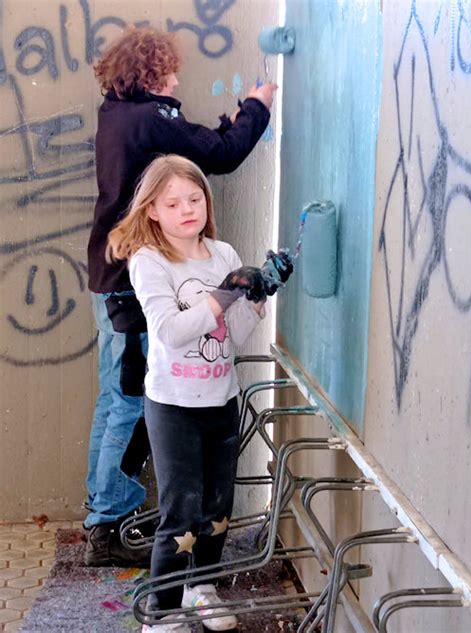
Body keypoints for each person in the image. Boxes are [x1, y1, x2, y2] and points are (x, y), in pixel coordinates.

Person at [85, 25, 277, 567]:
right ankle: (108, 525)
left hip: (109, 275)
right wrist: (257, 107)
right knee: (128, 401)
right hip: (134, 283)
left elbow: (185, 143)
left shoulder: (115, 113)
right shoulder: (153, 116)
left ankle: (102, 511)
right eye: (169, 71)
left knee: (113, 396)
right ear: (152, 74)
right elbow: (221, 152)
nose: (176, 81)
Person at [107, 155, 292, 632]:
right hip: (173, 406)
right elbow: (169, 331)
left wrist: (260, 295)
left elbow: (233, 335)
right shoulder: (149, 261)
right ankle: (162, 612)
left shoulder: (223, 253)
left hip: (220, 400)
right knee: (181, 512)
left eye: (194, 199)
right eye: (172, 203)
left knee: (217, 510)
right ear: (152, 210)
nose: (187, 209)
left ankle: (201, 590)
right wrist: (224, 294)